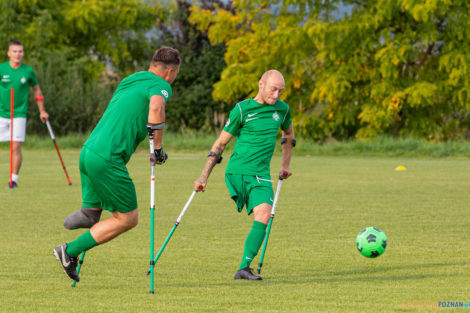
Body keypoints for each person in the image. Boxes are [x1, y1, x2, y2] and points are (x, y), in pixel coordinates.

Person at [53, 46, 181, 282]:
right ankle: (68, 251)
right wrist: (157, 148)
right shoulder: (162, 85)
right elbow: (155, 107)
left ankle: (87, 214)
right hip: (108, 159)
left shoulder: (131, 79)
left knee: (93, 214)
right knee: (128, 218)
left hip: (88, 151)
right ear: (170, 71)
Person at [194, 69, 295, 280]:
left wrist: (285, 165)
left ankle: (244, 268)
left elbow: (288, 135)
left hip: (262, 174)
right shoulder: (242, 110)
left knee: (265, 214)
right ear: (261, 84)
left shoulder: (282, 110)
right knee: (263, 213)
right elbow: (220, 144)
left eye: (281, 91)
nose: (276, 95)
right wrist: (204, 176)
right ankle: (244, 267)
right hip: (238, 171)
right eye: (273, 89)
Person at [0, 41, 49, 188]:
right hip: (1, 113)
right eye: (14, 51)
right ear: (9, 53)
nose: (18, 54)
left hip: (19, 113)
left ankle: (13, 180)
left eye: (20, 51)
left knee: (15, 147)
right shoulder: (1, 68)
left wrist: (42, 111)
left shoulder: (28, 71)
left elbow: (37, 91)